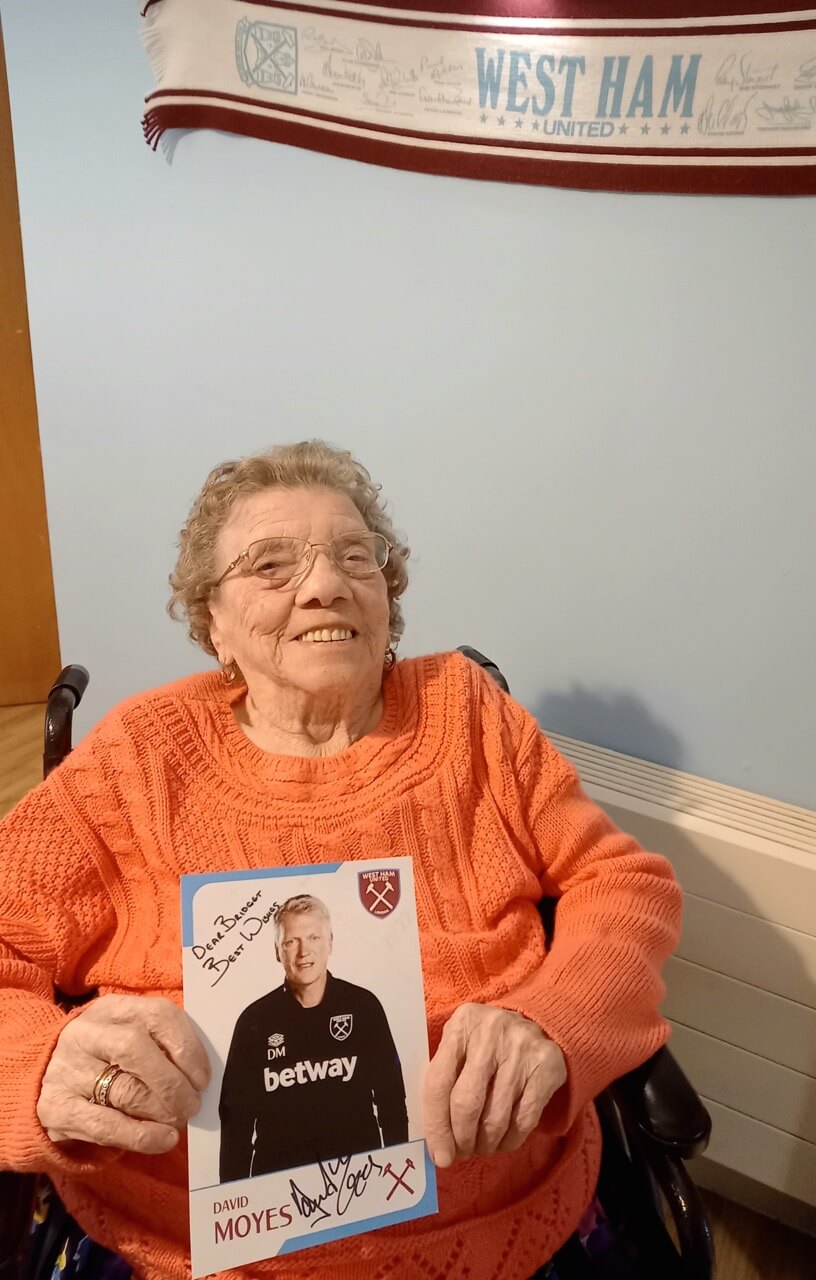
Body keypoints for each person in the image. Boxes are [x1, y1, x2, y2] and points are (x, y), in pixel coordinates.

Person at [0, 440, 682, 1280]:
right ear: (213, 622)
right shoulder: (137, 759)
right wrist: (38, 1064)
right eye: (270, 565)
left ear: (387, 601)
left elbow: (622, 885)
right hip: (185, 1252)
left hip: (501, 1227)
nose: (324, 584)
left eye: (355, 556)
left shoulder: (470, 716)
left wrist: (554, 1020)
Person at [218, 893, 408, 1179]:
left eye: (313, 938)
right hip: (280, 1186)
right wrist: (234, 1197)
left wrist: (399, 1173)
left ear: (330, 941)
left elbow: (391, 1100)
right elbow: (236, 1127)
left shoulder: (363, 1006)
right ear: (277, 951)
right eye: (291, 941)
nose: (303, 952)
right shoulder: (253, 1022)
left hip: (359, 1180)